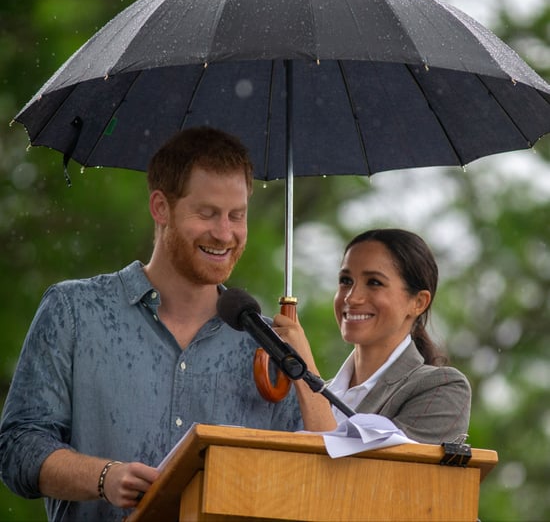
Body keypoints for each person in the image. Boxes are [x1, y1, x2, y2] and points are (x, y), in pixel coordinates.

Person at [0, 126, 302, 522]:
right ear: (160, 207)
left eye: (236, 216)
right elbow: (17, 447)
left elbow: (302, 479)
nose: (225, 233)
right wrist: (104, 476)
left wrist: (302, 361)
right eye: (207, 213)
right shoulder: (73, 310)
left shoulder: (271, 345)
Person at [272, 228, 471, 444]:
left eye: (374, 282)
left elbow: (350, 473)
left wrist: (304, 372)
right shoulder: (319, 393)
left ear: (418, 303)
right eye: (346, 281)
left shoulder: (441, 388)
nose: (352, 297)